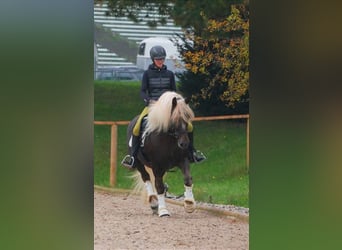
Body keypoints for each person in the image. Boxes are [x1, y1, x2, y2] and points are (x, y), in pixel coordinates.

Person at [121, 45, 206, 169]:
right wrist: (149, 101)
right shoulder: (147, 74)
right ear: (153, 60)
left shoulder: (170, 74)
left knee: (189, 126)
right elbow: (143, 91)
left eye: (162, 59)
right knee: (136, 127)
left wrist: (178, 103)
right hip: (153, 107)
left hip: (169, 108)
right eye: (158, 59)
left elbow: (174, 91)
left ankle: (192, 153)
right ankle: (133, 157)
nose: (160, 61)